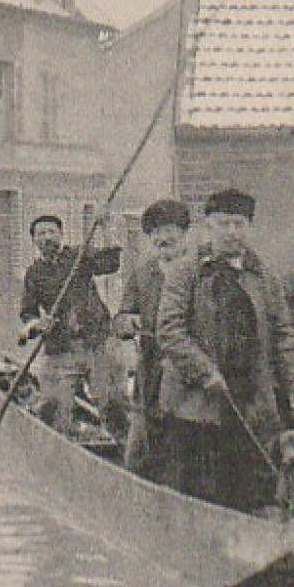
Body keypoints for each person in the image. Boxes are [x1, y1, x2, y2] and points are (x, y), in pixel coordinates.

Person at [157, 187, 294, 513]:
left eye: (239, 224)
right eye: (223, 224)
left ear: (249, 227)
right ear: (207, 227)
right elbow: (169, 331)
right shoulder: (186, 272)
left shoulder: (264, 277)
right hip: (195, 402)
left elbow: (284, 334)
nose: (231, 232)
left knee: (247, 486)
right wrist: (203, 371)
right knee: (196, 490)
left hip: (247, 396)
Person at [20, 213, 122, 433]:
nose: (47, 237)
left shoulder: (78, 257)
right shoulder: (34, 274)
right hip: (62, 349)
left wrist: (106, 229)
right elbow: (27, 313)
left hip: (98, 344)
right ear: (34, 241)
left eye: (52, 232)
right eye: (41, 234)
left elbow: (111, 264)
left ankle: (122, 449)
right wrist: (38, 324)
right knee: (53, 410)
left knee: (113, 405)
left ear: (61, 235)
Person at [114, 199, 192, 478]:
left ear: (184, 233)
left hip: (187, 376)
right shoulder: (143, 273)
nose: (163, 238)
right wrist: (127, 322)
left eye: (169, 229)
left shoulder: (200, 272)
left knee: (181, 449)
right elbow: (121, 317)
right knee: (137, 452)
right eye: (155, 231)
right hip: (150, 374)